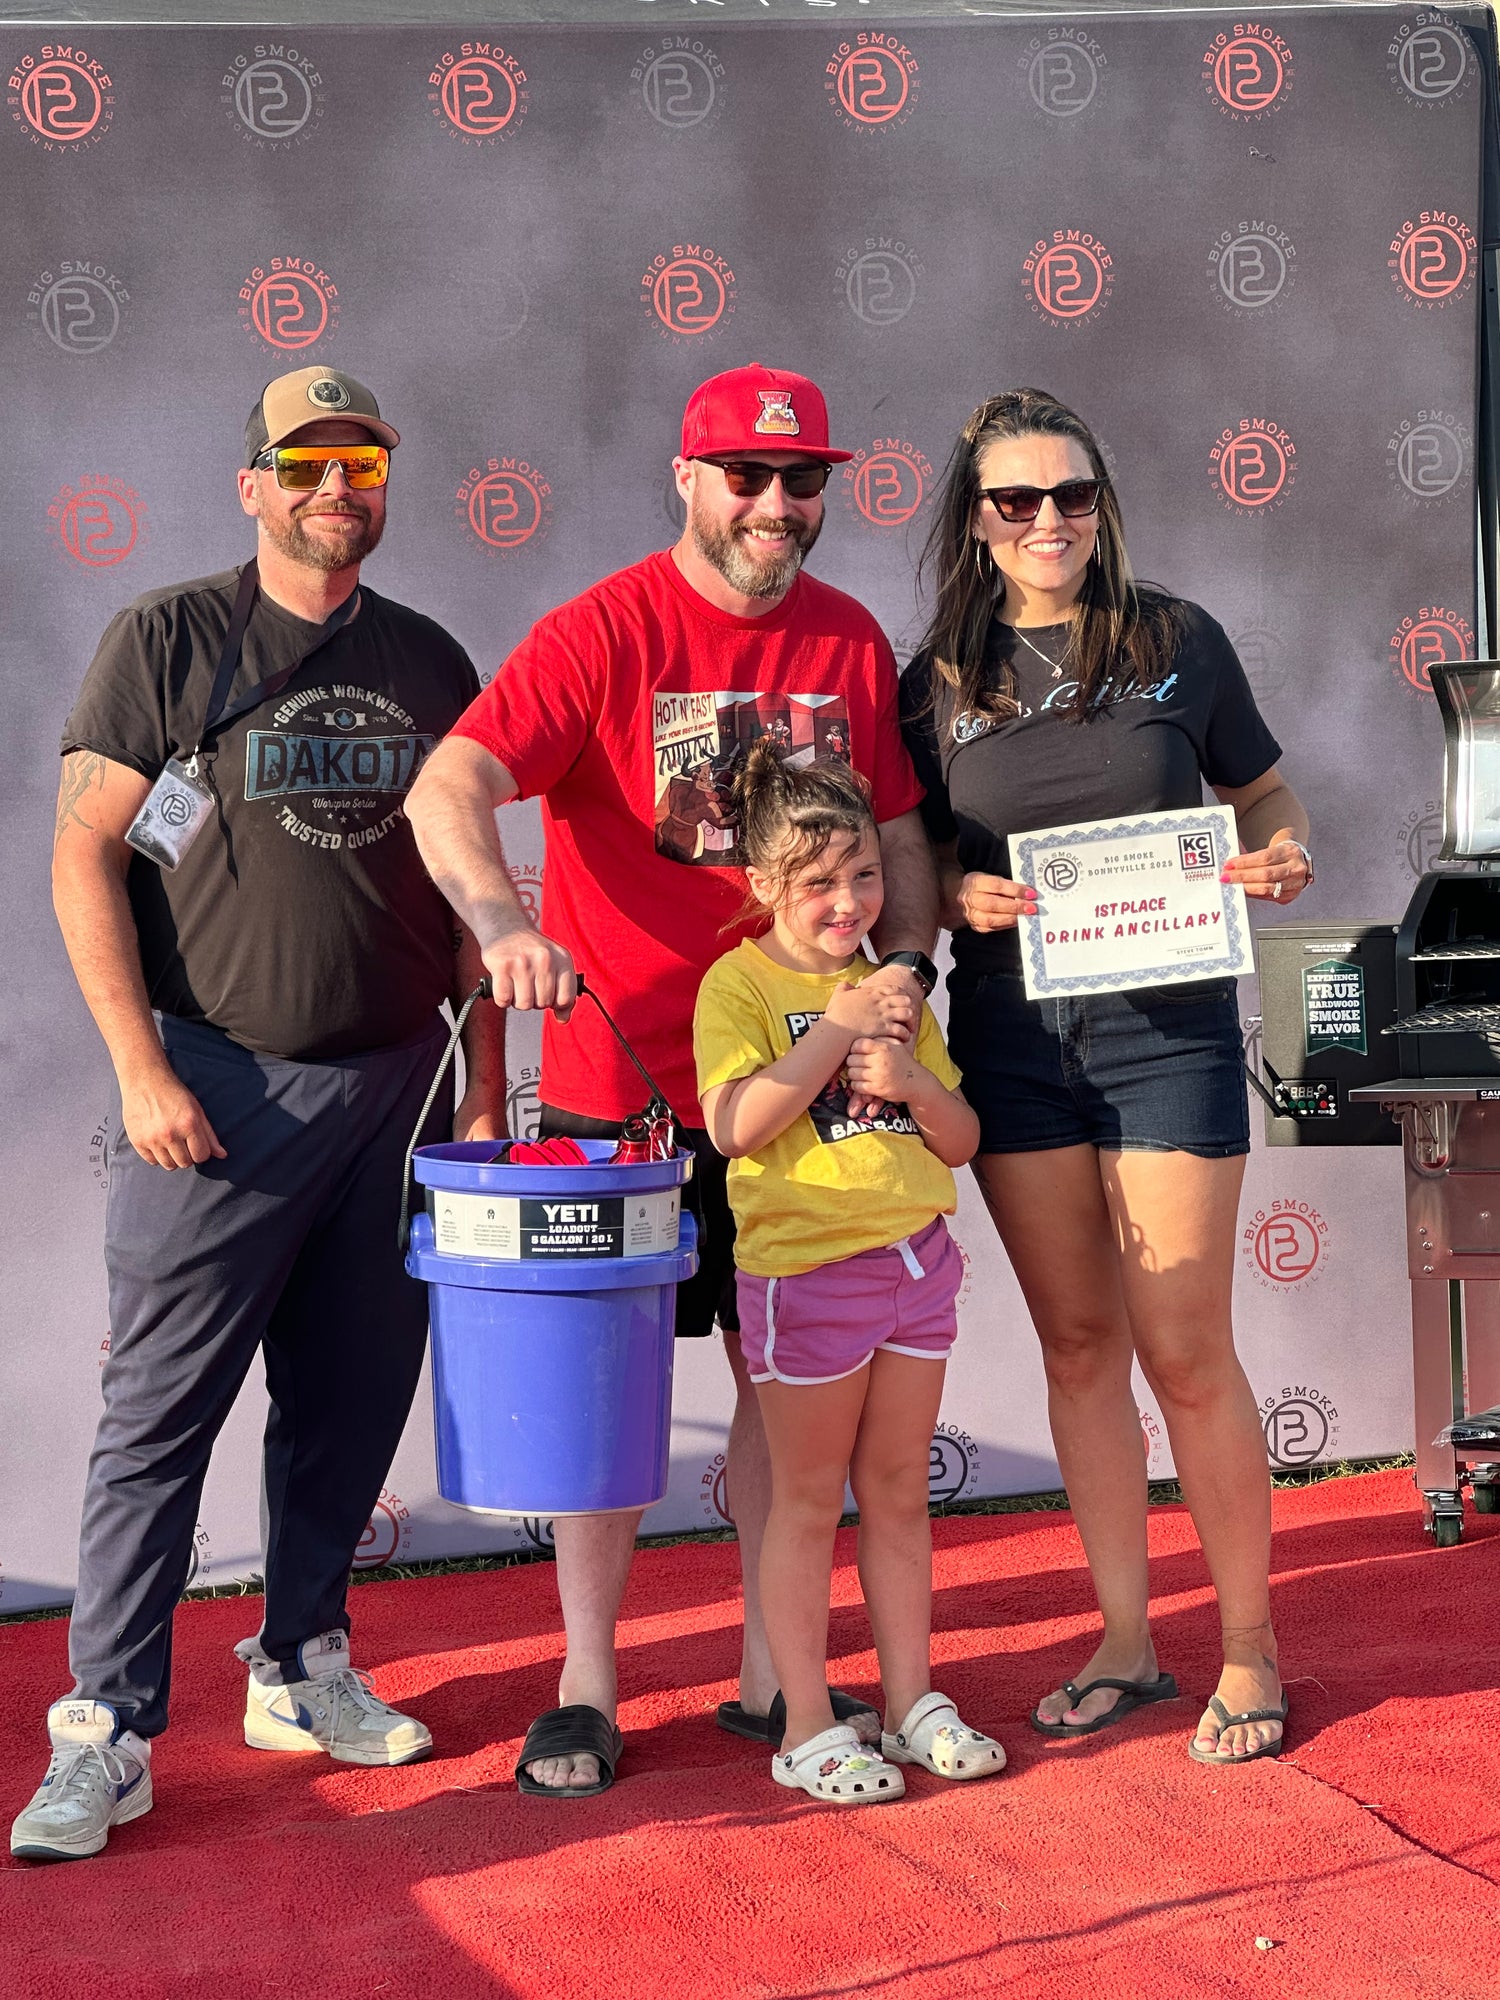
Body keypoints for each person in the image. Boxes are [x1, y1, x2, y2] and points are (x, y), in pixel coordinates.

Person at [405, 363, 939, 1795]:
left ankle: (774, 1674)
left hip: (803, 1085)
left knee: (786, 1384)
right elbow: (449, 784)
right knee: (604, 1399)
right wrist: (502, 923)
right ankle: (586, 1681)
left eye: (802, 479)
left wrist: (906, 971)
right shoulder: (603, 629)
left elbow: (897, 825)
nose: (776, 504)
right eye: (746, 477)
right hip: (622, 1088)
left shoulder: (849, 638)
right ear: (688, 479)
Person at [11, 367, 504, 1864]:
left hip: (398, 1089)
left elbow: (472, 879)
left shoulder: (429, 657)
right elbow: (84, 856)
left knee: (348, 1401)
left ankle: (301, 1662)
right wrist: (139, 1067)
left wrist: (485, 1087)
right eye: (304, 464)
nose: (334, 487)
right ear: (254, 486)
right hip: (215, 1089)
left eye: (360, 462)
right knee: (157, 1417)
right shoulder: (166, 638)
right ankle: (104, 1728)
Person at [899, 388, 1312, 1767]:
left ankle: (1248, 1646)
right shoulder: (931, 680)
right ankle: (1127, 1642)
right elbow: (917, 863)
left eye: (1071, 495)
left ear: (1102, 504)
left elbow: (1265, 794)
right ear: (975, 518)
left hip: (1170, 1031)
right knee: (1079, 1349)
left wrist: (1281, 853)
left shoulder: (1175, 639)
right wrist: (957, 898)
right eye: (1016, 499)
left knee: (1185, 1348)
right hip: (1013, 1042)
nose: (1048, 521)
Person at [694, 744, 1004, 1804]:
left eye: (864, 874)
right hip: (808, 1276)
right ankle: (807, 1725)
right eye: (819, 881)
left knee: (901, 1492)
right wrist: (833, 1028)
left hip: (918, 1261)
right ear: (761, 883)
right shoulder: (738, 983)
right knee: (808, 1501)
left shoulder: (896, 986)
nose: (849, 902)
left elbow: (961, 1139)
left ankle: (912, 1702)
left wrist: (913, 1078)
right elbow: (735, 1126)